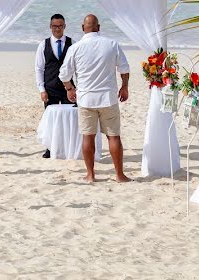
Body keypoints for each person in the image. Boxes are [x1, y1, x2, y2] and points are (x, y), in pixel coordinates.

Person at [59, 14, 131, 183]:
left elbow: (64, 74)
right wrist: (124, 86)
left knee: (88, 137)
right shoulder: (112, 44)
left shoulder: (75, 48)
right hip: (108, 98)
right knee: (113, 137)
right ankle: (119, 175)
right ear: (99, 27)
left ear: (83, 28)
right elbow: (124, 68)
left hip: (86, 99)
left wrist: (70, 89)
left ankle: (91, 175)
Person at [34, 13, 74, 158]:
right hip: (49, 88)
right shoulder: (43, 45)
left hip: (68, 88)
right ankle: (50, 148)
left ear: (65, 26)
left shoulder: (72, 43)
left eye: (60, 26)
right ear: (50, 27)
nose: (57, 29)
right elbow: (39, 68)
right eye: (55, 26)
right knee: (50, 120)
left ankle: (66, 147)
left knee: (68, 118)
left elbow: (77, 66)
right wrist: (42, 89)